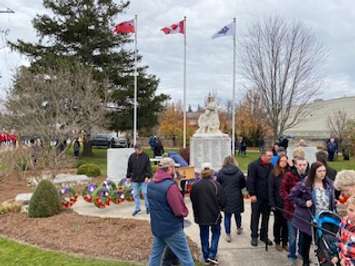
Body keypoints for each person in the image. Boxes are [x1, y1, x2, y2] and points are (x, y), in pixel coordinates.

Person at [147, 157, 194, 266]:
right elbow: (179, 210)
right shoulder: (170, 187)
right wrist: (185, 212)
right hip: (172, 229)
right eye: (174, 167)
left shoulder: (151, 184)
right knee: (186, 259)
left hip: (157, 227)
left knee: (155, 257)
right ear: (169, 168)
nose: (175, 170)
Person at [289, 161, 336, 266]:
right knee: (306, 243)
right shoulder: (305, 183)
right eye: (319, 171)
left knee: (323, 243)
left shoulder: (329, 183)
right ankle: (305, 262)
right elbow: (292, 196)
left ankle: (323, 262)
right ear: (314, 172)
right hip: (309, 219)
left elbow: (332, 199)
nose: (322, 173)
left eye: (324, 171)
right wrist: (304, 203)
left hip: (325, 219)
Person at [190, 162, 225, 265]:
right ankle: (212, 254)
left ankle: (206, 256)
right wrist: (221, 208)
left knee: (204, 234)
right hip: (215, 215)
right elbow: (222, 201)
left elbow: (193, 199)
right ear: (212, 171)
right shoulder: (216, 185)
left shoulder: (195, 185)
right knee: (216, 233)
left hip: (201, 214)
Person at [280, 157, 308, 265]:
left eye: (304, 165)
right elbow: (282, 190)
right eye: (300, 165)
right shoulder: (289, 175)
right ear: (296, 165)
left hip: (305, 211)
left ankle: (302, 253)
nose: (302, 167)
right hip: (292, 210)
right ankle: (292, 255)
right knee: (292, 236)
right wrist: (290, 200)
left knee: (303, 235)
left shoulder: (308, 177)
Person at [247, 149, 273, 247]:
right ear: (263, 156)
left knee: (266, 218)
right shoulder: (253, 165)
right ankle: (254, 236)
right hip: (257, 196)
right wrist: (252, 194)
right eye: (269, 156)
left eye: (271, 156)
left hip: (267, 197)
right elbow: (250, 180)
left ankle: (264, 235)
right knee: (255, 217)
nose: (271, 158)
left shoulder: (271, 166)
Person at [217, 156, 246, 242]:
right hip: (237, 195)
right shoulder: (239, 172)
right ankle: (239, 228)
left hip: (225, 196)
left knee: (227, 216)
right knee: (237, 214)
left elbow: (218, 184)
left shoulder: (221, 172)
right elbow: (243, 184)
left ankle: (228, 234)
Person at [269, 155, 289, 251]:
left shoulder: (289, 173)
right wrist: (272, 203)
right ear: (278, 162)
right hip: (277, 202)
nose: (283, 162)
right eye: (282, 161)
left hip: (287, 203)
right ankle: (277, 241)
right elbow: (271, 189)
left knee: (286, 224)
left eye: (285, 161)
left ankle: (285, 242)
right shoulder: (274, 173)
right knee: (278, 223)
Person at [126, 144, 152, 216]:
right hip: (134, 179)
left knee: (145, 193)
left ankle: (148, 207)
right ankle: (137, 208)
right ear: (135, 149)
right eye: (137, 150)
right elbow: (129, 167)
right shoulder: (132, 156)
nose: (139, 151)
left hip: (143, 179)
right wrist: (128, 177)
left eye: (140, 149)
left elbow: (148, 167)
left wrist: (147, 176)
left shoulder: (145, 156)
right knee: (135, 194)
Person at [337, 196, 355, 266]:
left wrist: (348, 262)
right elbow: (339, 239)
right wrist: (340, 256)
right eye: (351, 210)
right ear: (346, 209)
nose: (354, 214)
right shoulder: (343, 223)